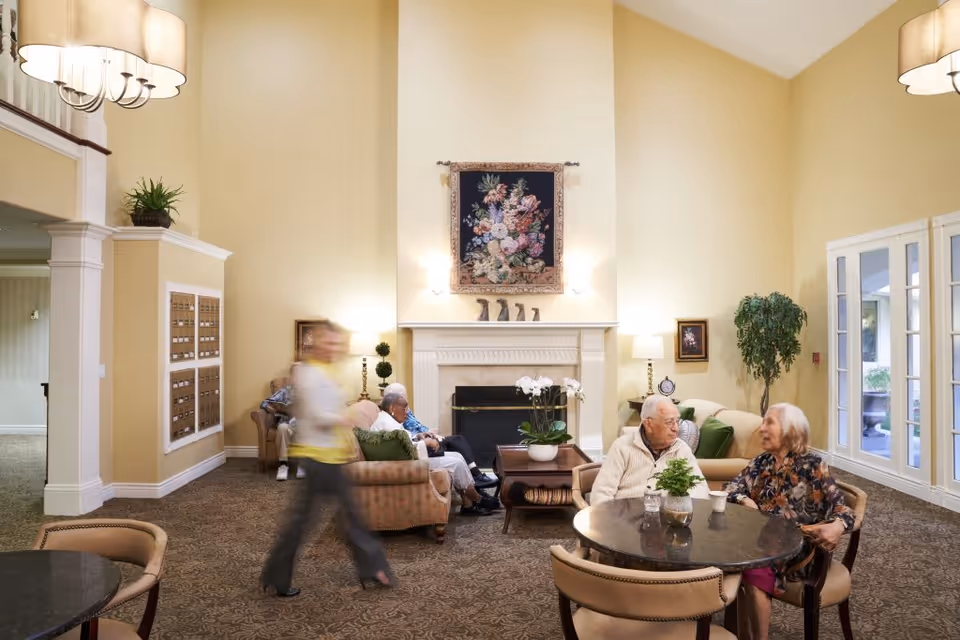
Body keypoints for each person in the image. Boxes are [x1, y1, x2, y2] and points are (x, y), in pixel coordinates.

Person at [260, 321, 394, 597]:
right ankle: (374, 570)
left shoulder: (328, 370)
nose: (334, 347)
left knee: (320, 520)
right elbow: (315, 416)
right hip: (318, 457)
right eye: (328, 342)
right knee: (344, 518)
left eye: (337, 343)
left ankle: (276, 575)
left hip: (332, 456)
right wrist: (346, 417)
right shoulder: (307, 373)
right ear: (316, 343)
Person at [725, 403, 854, 640]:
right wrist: (744, 500)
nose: (761, 428)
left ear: (790, 429)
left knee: (753, 566)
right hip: (759, 540)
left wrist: (837, 526)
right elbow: (731, 487)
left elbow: (843, 508)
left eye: (769, 423)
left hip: (797, 547)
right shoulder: (761, 461)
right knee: (727, 555)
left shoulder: (813, 465)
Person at [372, 393, 500, 515]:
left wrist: (419, 436)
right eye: (404, 409)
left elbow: (404, 441)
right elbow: (402, 449)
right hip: (408, 464)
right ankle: (478, 499)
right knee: (456, 464)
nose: (407, 413)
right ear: (392, 408)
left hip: (410, 459)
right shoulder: (386, 423)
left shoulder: (387, 419)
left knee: (457, 456)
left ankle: (468, 504)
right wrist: (427, 443)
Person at [591, 395, 708, 506]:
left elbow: (700, 488)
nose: (676, 429)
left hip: (667, 520)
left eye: (677, 421)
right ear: (648, 424)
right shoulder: (622, 447)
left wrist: (683, 509)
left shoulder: (681, 449)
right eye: (669, 422)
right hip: (626, 521)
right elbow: (600, 495)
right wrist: (612, 522)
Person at [382, 382, 497, 485]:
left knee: (458, 449)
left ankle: (475, 481)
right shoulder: (391, 421)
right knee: (457, 440)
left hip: (424, 439)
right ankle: (476, 479)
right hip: (422, 449)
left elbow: (408, 434)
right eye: (402, 396)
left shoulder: (400, 413)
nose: (406, 411)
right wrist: (425, 439)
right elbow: (405, 440)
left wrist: (423, 434)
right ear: (393, 404)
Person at [260, 363, 304, 481]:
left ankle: (302, 465)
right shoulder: (285, 391)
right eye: (295, 374)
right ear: (292, 376)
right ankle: (283, 465)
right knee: (282, 428)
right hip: (287, 422)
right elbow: (265, 403)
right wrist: (272, 408)